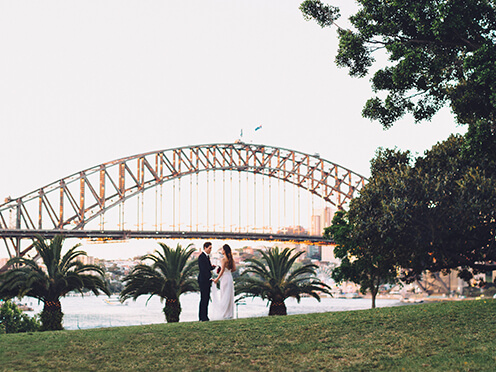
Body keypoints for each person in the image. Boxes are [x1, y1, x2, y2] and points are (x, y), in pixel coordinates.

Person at [212, 244, 236, 319]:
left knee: (224, 294)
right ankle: (229, 313)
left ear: (224, 251)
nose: (221, 251)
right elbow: (234, 269)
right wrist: (228, 271)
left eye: (222, 249)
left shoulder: (223, 259)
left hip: (224, 278)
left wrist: (217, 279)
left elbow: (222, 270)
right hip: (229, 277)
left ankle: (224, 313)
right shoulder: (231, 259)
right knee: (229, 295)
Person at [198, 241, 215, 321]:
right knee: (204, 298)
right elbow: (203, 270)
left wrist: (212, 267)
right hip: (203, 280)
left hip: (206, 280)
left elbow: (207, 268)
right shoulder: (202, 257)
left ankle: (204, 316)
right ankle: (202, 317)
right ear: (205, 247)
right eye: (210, 248)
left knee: (206, 298)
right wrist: (209, 277)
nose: (210, 250)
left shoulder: (206, 257)